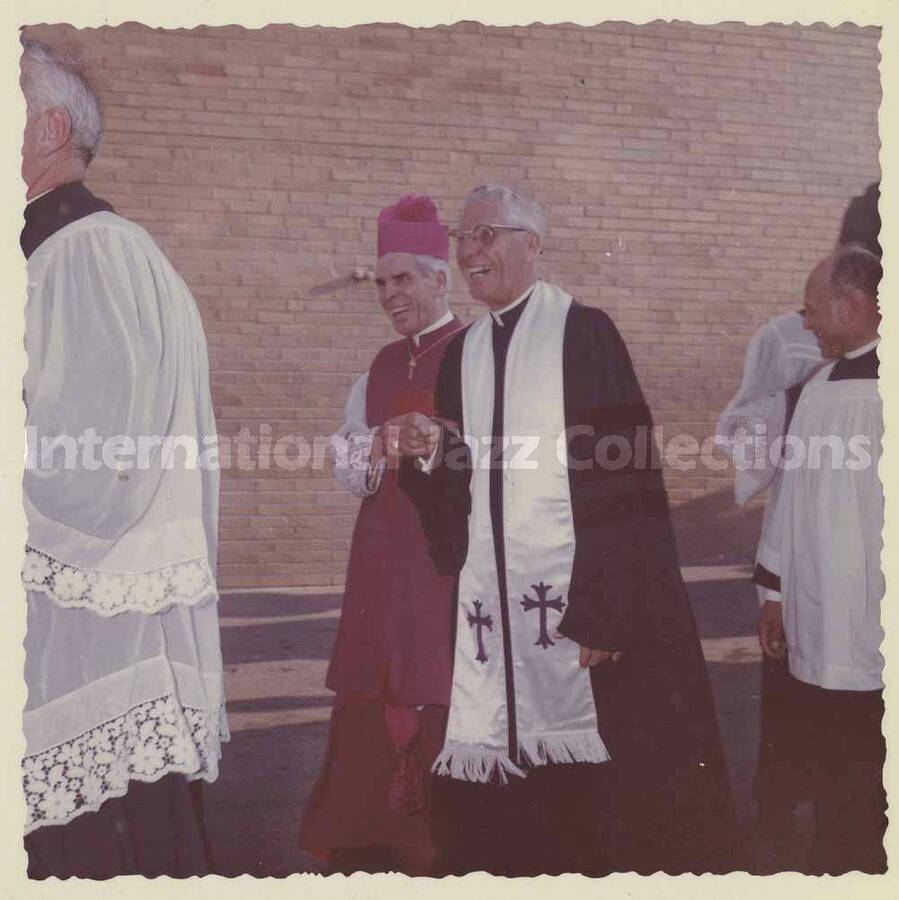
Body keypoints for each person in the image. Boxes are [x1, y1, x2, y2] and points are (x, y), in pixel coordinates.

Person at [397, 184, 736, 875]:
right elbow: (469, 481)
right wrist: (433, 449)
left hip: (580, 609)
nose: (469, 251)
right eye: (462, 238)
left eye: (485, 234)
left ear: (532, 244)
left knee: (600, 802)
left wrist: (607, 610)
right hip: (498, 614)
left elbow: (626, 483)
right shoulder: (462, 356)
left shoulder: (584, 334)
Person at [20, 38, 226, 878]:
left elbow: (95, 462)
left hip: (92, 630)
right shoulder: (62, 250)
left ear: (48, 127)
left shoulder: (90, 253)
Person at [299, 195, 462, 875]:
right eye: (382, 280)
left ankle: (438, 841)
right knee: (372, 682)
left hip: (445, 557)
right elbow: (344, 460)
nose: (389, 293)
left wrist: (437, 446)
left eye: (404, 278)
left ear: (438, 279)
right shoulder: (376, 366)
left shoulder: (476, 354)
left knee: (436, 678)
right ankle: (368, 835)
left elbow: (511, 455)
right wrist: (375, 442)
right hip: (378, 556)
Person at [754, 245, 885, 874]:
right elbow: (788, 494)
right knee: (832, 761)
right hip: (814, 611)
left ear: (854, 306)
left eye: (812, 311)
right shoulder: (817, 387)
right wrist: (772, 595)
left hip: (873, 620)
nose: (805, 324)